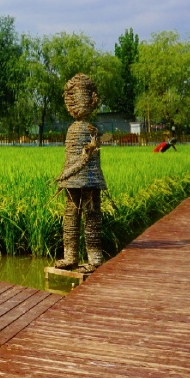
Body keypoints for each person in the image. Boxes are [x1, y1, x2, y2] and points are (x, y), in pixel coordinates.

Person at [53, 73, 108, 273]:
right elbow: (72, 159)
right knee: (70, 217)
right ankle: (70, 256)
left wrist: (65, 175)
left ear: (92, 100)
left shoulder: (92, 130)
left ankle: (95, 259)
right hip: (72, 182)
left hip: (90, 181)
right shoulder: (72, 130)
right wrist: (65, 176)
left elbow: (85, 159)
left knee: (91, 216)